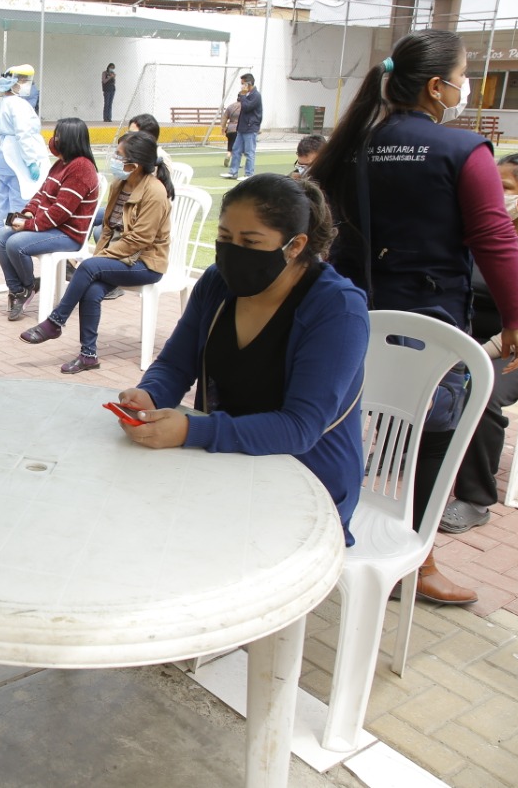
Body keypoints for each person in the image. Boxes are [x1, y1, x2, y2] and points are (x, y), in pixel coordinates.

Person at [312, 28, 518, 605]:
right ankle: (418, 559)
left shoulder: (352, 143)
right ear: (437, 87)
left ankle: (324, 538)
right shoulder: (462, 150)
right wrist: (516, 316)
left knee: (339, 424)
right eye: (463, 77)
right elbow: (494, 236)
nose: (465, 87)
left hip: (352, 311)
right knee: (431, 435)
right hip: (426, 323)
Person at [116, 174, 369, 546]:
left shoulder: (337, 309)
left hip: (307, 480)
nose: (232, 252)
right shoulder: (218, 283)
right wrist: (151, 395)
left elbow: (300, 428)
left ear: (295, 245)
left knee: (184, 538)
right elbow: (175, 364)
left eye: (250, 242)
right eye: (224, 239)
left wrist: (191, 431)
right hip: (222, 459)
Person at [440, 154, 518, 534]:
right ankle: (415, 451)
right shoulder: (478, 228)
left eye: (504, 187)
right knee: (419, 366)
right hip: (471, 334)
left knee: (482, 387)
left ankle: (476, 498)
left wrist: (478, 352)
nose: (492, 192)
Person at [19, 130, 172, 373]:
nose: (115, 159)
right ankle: (88, 355)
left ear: (136, 163)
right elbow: (109, 229)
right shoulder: (119, 185)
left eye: (119, 156)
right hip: (120, 259)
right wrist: (100, 256)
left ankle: (55, 321)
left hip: (145, 263)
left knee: (89, 267)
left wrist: (97, 260)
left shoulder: (154, 191)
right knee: (92, 288)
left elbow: (139, 239)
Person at [0, 117, 100, 322]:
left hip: (68, 233)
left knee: (15, 244)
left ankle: (27, 286)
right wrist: (28, 213)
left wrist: (28, 225)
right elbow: (42, 194)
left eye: (58, 136)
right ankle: (20, 290)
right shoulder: (62, 164)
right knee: (1, 236)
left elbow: (60, 212)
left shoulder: (81, 168)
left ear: (70, 140)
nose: (53, 140)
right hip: (52, 227)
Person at [0, 64, 49, 226]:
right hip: (17, 158)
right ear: (15, 82)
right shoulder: (19, 105)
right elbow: (23, 135)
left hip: (2, 155)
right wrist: (31, 162)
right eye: (24, 81)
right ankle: (15, 234)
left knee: (2, 198)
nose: (27, 85)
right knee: (20, 199)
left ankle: (2, 231)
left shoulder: (1, 103)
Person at [220, 73, 262, 180]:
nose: (241, 86)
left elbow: (247, 107)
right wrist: (243, 95)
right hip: (241, 128)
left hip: (250, 128)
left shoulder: (256, 95)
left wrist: (243, 95)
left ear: (248, 84)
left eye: (243, 84)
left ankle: (249, 174)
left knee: (249, 152)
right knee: (236, 150)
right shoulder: (246, 95)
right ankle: (233, 172)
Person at [221, 95, 241, 166]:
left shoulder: (230, 106)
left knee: (230, 144)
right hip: (239, 129)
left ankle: (228, 154)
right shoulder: (245, 106)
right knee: (238, 147)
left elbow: (224, 118)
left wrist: (223, 128)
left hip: (230, 129)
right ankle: (236, 163)